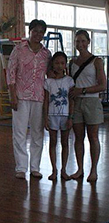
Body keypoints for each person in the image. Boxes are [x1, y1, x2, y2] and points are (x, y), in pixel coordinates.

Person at [7, 19, 51, 179]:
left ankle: (35, 167)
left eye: (41, 32)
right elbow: (11, 74)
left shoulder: (46, 54)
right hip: (21, 96)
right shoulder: (19, 49)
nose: (38, 34)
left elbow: (50, 76)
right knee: (19, 132)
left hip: (39, 97)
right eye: (35, 31)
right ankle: (21, 167)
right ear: (30, 31)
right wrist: (12, 95)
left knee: (38, 133)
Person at [69, 30, 106, 182]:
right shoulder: (72, 62)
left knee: (93, 137)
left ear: (88, 42)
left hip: (91, 102)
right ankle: (79, 169)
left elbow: (102, 85)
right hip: (76, 103)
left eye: (83, 41)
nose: (80, 44)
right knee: (78, 137)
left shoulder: (96, 61)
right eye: (77, 41)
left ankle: (94, 170)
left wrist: (82, 90)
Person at [44, 52, 75, 181]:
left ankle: (63, 170)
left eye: (62, 63)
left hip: (65, 115)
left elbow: (71, 99)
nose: (59, 66)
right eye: (56, 63)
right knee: (53, 142)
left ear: (65, 65)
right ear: (52, 64)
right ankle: (54, 170)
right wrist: (45, 117)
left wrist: (70, 117)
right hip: (52, 115)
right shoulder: (48, 82)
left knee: (65, 143)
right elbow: (46, 101)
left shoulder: (69, 81)